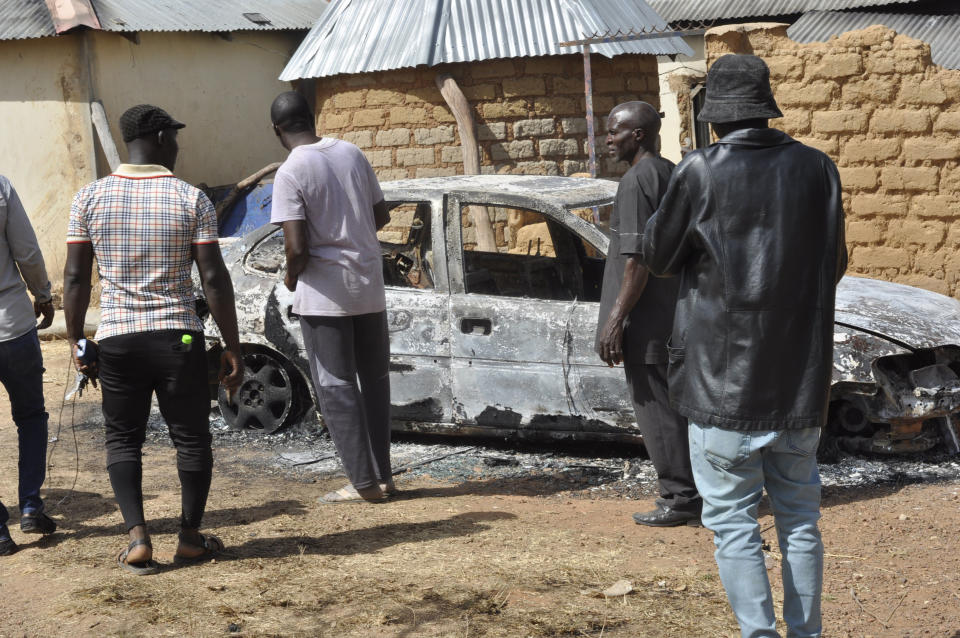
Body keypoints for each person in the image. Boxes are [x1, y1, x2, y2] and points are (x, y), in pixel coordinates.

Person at [642, 54, 847, 637]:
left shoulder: (700, 171)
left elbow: (658, 258)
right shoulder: (818, 169)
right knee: (801, 520)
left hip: (720, 384)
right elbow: (832, 265)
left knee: (733, 523)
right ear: (766, 108)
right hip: (800, 383)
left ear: (714, 120)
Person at [63, 104, 244, 574]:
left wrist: (77, 343)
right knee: (191, 439)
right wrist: (231, 345)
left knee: (123, 439)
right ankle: (188, 538)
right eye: (176, 138)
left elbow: (76, 279)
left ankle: (139, 540)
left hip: (119, 340)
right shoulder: (191, 199)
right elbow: (214, 279)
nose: (179, 146)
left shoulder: (89, 198)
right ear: (162, 137)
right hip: (177, 339)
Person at [269, 91, 393, 504]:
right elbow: (380, 216)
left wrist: (289, 277)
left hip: (326, 297)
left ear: (277, 131)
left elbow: (296, 247)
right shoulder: (352, 153)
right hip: (369, 286)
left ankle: (364, 485)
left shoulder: (290, 172)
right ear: (311, 118)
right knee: (374, 383)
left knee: (335, 385)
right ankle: (384, 476)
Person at [595, 101, 701, 527]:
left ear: (638, 134)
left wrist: (616, 319)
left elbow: (636, 256)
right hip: (669, 311)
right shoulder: (666, 171)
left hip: (646, 319)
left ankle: (679, 498)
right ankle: (693, 493)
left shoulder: (638, 180)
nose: (607, 140)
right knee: (673, 410)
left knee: (656, 411)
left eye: (614, 132)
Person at [0, 176, 57, 555]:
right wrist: (43, 293)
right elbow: (26, 251)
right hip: (13, 324)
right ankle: (31, 505)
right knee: (31, 417)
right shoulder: (0, 186)